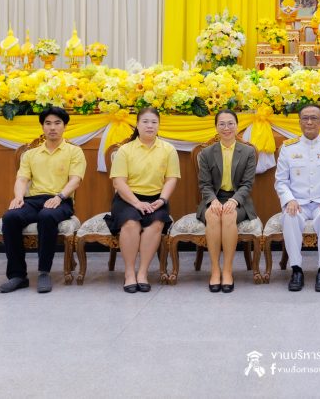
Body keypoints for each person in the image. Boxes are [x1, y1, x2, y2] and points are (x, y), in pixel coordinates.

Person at [0, 106, 86, 294]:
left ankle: (44, 272)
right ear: (42, 126)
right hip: (33, 199)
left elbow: (76, 180)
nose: (52, 127)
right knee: (10, 217)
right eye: (48, 123)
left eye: (57, 123)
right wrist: (18, 197)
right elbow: (22, 179)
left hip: (61, 199)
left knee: (47, 216)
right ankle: (17, 275)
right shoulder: (30, 154)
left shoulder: (74, 151)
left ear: (64, 126)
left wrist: (59, 197)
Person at [274, 104, 320, 292]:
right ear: (299, 122)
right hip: (297, 203)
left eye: (314, 118)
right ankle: (296, 269)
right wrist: (289, 200)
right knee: (289, 216)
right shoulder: (288, 148)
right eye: (305, 118)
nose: (309, 122)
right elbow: (281, 181)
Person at [106, 106, 180, 293]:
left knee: (156, 223)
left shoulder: (168, 149)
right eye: (145, 122)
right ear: (137, 125)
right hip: (128, 198)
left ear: (159, 126)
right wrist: (137, 203)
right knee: (131, 223)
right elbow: (118, 182)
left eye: (154, 122)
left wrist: (162, 200)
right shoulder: (125, 150)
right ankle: (129, 273)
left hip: (156, 198)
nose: (149, 126)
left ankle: (142, 273)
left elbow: (171, 179)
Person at [196, 109, 258, 293]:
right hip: (214, 198)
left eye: (230, 123)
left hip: (239, 200)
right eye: (222, 124)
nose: (226, 128)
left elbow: (247, 184)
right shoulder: (206, 153)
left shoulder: (248, 152)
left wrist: (235, 200)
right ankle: (215, 270)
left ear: (237, 126)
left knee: (229, 215)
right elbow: (205, 184)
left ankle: (228, 270)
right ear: (216, 127)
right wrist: (213, 200)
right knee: (213, 215)